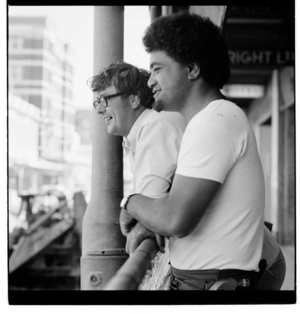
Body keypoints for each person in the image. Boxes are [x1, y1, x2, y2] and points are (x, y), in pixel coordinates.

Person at [119, 12, 268, 290]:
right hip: (204, 281)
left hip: (211, 285)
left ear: (192, 69)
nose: (150, 81)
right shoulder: (211, 120)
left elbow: (175, 219)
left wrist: (130, 203)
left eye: (157, 69)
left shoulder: (214, 122)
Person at [87, 61, 187, 289]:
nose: (100, 109)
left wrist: (129, 205)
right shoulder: (144, 132)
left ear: (133, 99)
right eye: (96, 103)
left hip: (242, 268)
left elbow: (152, 211)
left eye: (104, 100)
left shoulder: (156, 126)